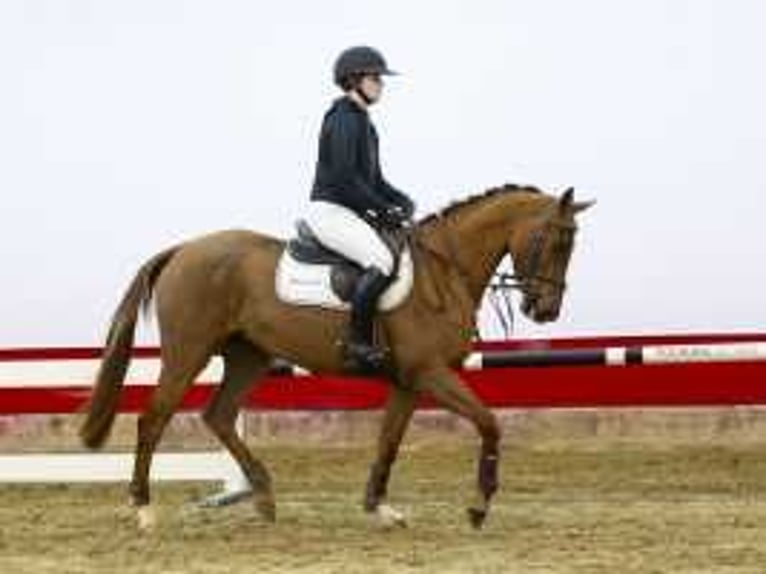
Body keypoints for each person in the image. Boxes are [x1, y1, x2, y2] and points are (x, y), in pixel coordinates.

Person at [306, 46, 416, 372]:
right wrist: (382, 210)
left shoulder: (364, 123)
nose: (381, 84)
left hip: (350, 211)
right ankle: (357, 343)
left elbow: (375, 180)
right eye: (375, 77)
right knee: (381, 261)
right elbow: (343, 179)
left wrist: (401, 201)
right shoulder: (343, 118)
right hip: (331, 211)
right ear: (354, 80)